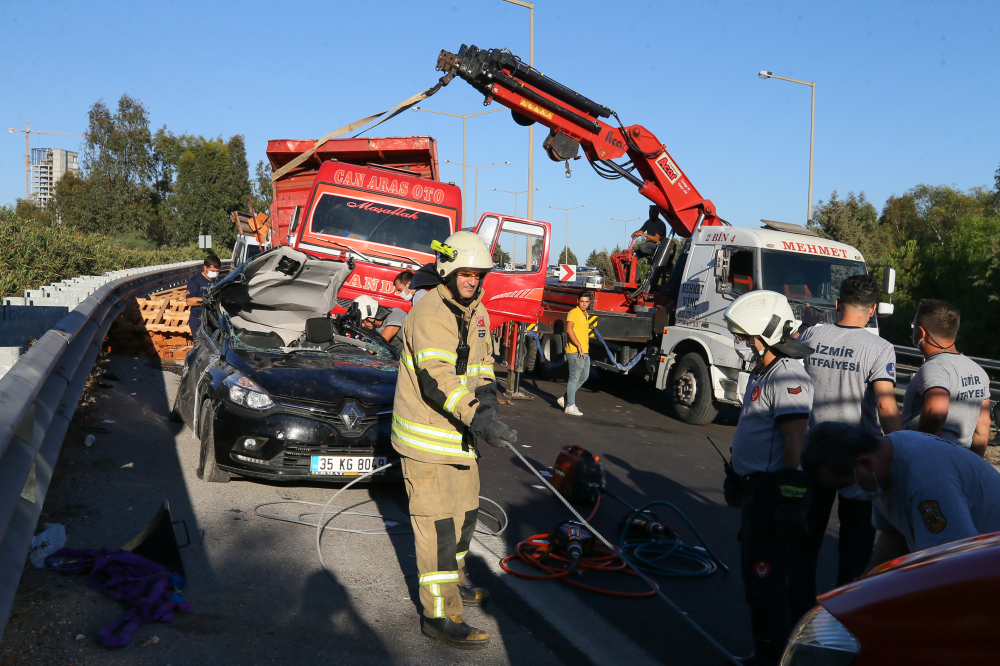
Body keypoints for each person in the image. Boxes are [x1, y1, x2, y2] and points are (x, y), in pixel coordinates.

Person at [391, 231, 518, 650]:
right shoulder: (430, 314)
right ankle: (439, 615)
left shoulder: (477, 311)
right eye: (466, 273)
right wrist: (478, 417)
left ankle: (455, 586)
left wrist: (488, 407)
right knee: (439, 530)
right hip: (427, 441)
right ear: (447, 270)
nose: (473, 281)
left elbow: (481, 366)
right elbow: (437, 380)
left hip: (459, 439)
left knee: (465, 516)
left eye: (479, 274)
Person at [788, 275, 902, 620]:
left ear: (838, 305)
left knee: (805, 544)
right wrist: (901, 450)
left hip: (813, 457)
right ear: (871, 311)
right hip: (858, 462)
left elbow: (787, 359)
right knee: (854, 550)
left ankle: (798, 617)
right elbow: (885, 407)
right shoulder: (878, 347)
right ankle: (843, 618)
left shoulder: (812, 335)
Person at [723, 290, 815, 666]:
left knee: (768, 584)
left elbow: (795, 443)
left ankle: (772, 658)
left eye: (747, 339)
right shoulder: (765, 371)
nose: (742, 345)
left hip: (772, 495)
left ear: (768, 335)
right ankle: (766, 651)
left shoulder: (788, 377)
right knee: (757, 581)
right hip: (755, 491)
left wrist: (788, 500)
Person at [802, 422, 1000, 569]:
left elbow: (952, 563)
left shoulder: (927, 479)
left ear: (864, 463)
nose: (845, 494)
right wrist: (867, 584)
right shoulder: (881, 464)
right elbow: (894, 534)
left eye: (844, 485)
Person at [902, 299, 991, 456]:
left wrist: (917, 446)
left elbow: (936, 413)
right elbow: (983, 426)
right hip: (961, 459)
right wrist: (972, 463)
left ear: (921, 332)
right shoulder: (978, 371)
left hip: (926, 458)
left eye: (913, 326)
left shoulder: (934, 367)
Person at [557, 291, 593, 416]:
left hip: (584, 351)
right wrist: (578, 345)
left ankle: (565, 398)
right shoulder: (573, 313)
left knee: (584, 377)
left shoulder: (585, 314)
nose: (584, 304)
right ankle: (570, 405)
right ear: (577, 301)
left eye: (586, 302)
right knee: (574, 378)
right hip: (575, 351)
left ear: (589, 302)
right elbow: (569, 329)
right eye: (582, 301)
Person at [185, 255, 221, 337]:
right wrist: (205, 300)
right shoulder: (195, 281)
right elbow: (189, 301)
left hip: (213, 319)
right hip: (198, 319)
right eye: (212, 271)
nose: (215, 273)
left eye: (217, 271)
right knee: (201, 345)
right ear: (205, 268)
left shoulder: (218, 281)